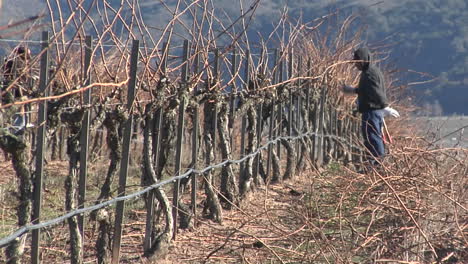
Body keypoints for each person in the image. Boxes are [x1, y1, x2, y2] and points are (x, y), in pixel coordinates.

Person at [342, 47, 399, 164]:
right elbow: (367, 90)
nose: (355, 65)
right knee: (373, 138)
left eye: (357, 62)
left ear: (363, 60)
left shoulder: (369, 74)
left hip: (372, 112)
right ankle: (376, 164)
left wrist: (384, 107)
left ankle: (378, 165)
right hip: (373, 112)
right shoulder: (371, 71)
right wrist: (354, 90)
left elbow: (376, 92)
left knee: (373, 139)